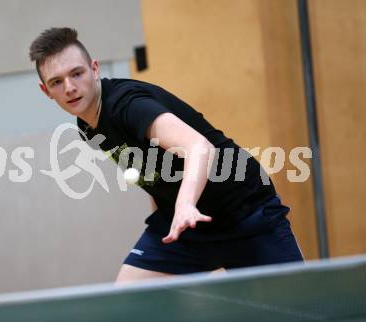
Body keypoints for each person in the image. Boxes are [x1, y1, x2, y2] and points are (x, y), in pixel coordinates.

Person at [29, 27, 303, 282]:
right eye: (57, 81)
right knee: (127, 301)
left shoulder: (128, 106)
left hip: (245, 213)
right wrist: (171, 212)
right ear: (45, 91)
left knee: (299, 309)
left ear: (94, 69)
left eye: (76, 73)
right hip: (186, 227)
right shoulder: (88, 126)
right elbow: (152, 170)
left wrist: (185, 205)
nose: (69, 87)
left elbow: (199, 147)